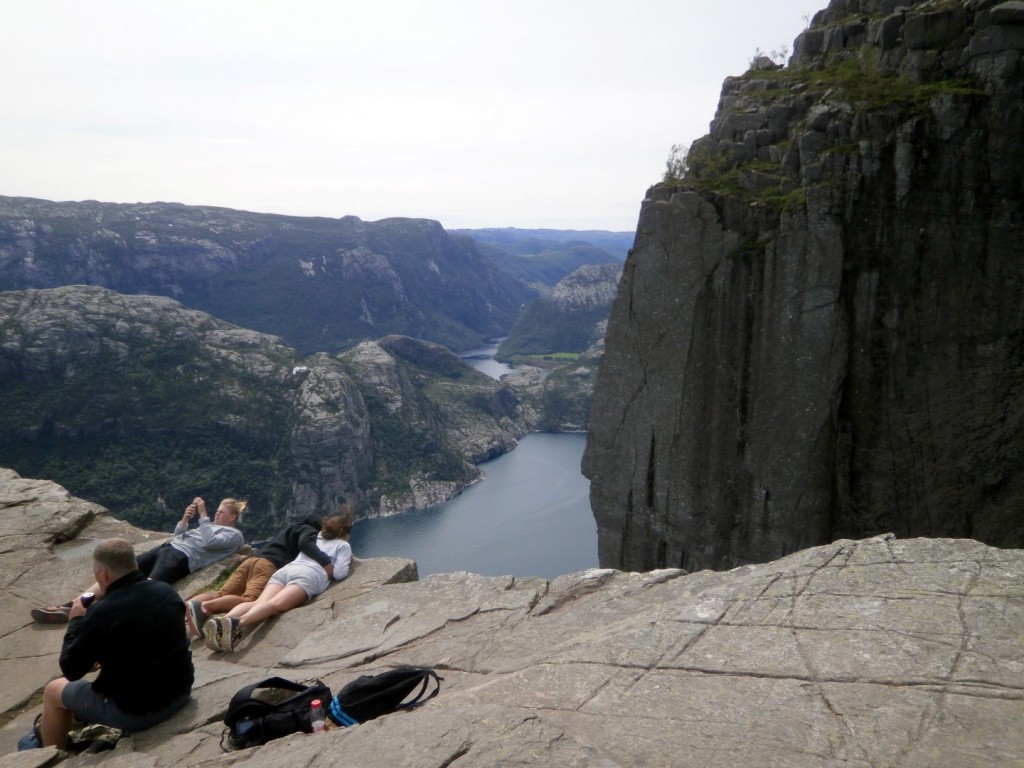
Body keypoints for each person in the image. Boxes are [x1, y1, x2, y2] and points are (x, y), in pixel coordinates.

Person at [27, 538, 194, 750]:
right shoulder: (166, 591)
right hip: (181, 693)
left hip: (138, 712)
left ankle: (54, 757)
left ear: (103, 574)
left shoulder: (102, 612)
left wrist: (76, 620)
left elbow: (71, 669)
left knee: (53, 690)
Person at [32, 497, 246, 624]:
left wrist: (203, 514)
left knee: (146, 589)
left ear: (232, 517)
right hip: (167, 548)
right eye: (217, 512)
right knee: (117, 572)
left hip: (181, 558)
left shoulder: (234, 536)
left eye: (221, 513)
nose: (217, 516)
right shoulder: (210, 525)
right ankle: (73, 604)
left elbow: (208, 542)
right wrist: (185, 519)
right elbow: (177, 535)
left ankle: (94, 613)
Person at [205, 510, 353, 652]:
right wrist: (347, 560)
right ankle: (238, 623)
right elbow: (339, 574)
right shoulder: (343, 545)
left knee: (257, 602)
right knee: (275, 605)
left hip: (286, 571)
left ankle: (223, 620)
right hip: (307, 577)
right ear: (345, 534)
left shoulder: (317, 536)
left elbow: (306, 546)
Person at [183, 514, 335, 641]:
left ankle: (190, 605)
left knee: (223, 592)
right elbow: (305, 544)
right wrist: (327, 562)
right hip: (268, 566)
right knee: (251, 601)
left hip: (251, 561)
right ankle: (206, 608)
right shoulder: (309, 531)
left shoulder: (291, 529)